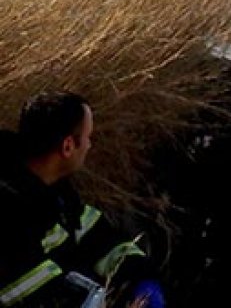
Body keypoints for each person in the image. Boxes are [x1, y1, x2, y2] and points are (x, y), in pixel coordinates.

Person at [0, 90, 164, 308]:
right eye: (87, 137)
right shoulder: (9, 208)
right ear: (68, 146)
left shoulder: (54, 191)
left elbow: (94, 235)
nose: (89, 145)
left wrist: (141, 276)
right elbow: (27, 293)